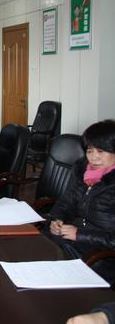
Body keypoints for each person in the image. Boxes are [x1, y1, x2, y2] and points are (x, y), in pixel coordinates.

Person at [48, 120, 115, 284]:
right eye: (89, 151)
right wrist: (57, 220)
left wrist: (79, 234)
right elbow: (65, 203)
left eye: (101, 151)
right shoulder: (83, 173)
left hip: (101, 257)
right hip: (72, 243)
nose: (94, 157)